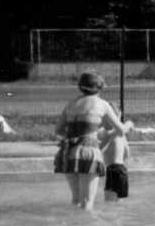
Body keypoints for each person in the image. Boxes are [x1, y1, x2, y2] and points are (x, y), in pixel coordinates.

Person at [54, 71, 127, 210]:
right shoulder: (102, 104)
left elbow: (58, 130)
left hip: (67, 151)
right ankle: (87, 225)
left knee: (76, 200)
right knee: (87, 202)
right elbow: (120, 130)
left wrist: (76, 138)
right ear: (100, 87)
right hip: (88, 151)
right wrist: (129, 124)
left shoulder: (70, 104)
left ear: (80, 87)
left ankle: (73, 223)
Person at [100, 123, 131, 202]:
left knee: (108, 201)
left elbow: (100, 149)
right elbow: (127, 153)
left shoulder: (107, 133)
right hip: (122, 169)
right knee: (119, 202)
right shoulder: (122, 135)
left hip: (112, 168)